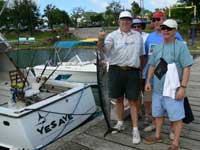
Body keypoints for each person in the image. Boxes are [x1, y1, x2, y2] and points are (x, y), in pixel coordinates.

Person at [144, 19, 193, 150]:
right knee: (158, 114)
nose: (165, 30)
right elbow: (152, 65)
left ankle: (175, 143)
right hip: (158, 90)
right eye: (163, 28)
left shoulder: (181, 46)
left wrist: (183, 88)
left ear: (175, 31)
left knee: (176, 117)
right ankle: (158, 135)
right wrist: (148, 81)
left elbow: (187, 67)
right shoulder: (158, 46)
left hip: (174, 90)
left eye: (169, 28)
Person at [98, 11, 143, 144]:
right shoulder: (112, 36)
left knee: (133, 101)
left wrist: (142, 70)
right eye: (123, 19)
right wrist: (100, 40)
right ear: (119, 21)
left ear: (131, 21)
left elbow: (141, 55)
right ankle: (120, 122)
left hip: (133, 71)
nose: (125, 22)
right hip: (115, 70)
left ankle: (135, 129)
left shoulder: (138, 36)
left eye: (128, 19)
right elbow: (102, 51)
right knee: (118, 99)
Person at [143, 11, 183, 139]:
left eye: (158, 19)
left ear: (164, 19)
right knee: (153, 104)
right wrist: (145, 75)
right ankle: (155, 124)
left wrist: (182, 83)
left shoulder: (175, 34)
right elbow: (146, 57)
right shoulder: (150, 37)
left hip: (170, 80)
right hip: (153, 78)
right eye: (153, 20)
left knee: (171, 105)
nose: (155, 22)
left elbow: (182, 55)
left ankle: (172, 129)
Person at [132, 18, 149, 121]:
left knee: (147, 94)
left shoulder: (147, 36)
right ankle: (138, 112)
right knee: (136, 94)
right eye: (134, 26)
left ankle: (147, 114)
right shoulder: (129, 37)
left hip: (147, 71)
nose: (136, 28)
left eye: (139, 26)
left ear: (142, 27)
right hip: (135, 71)